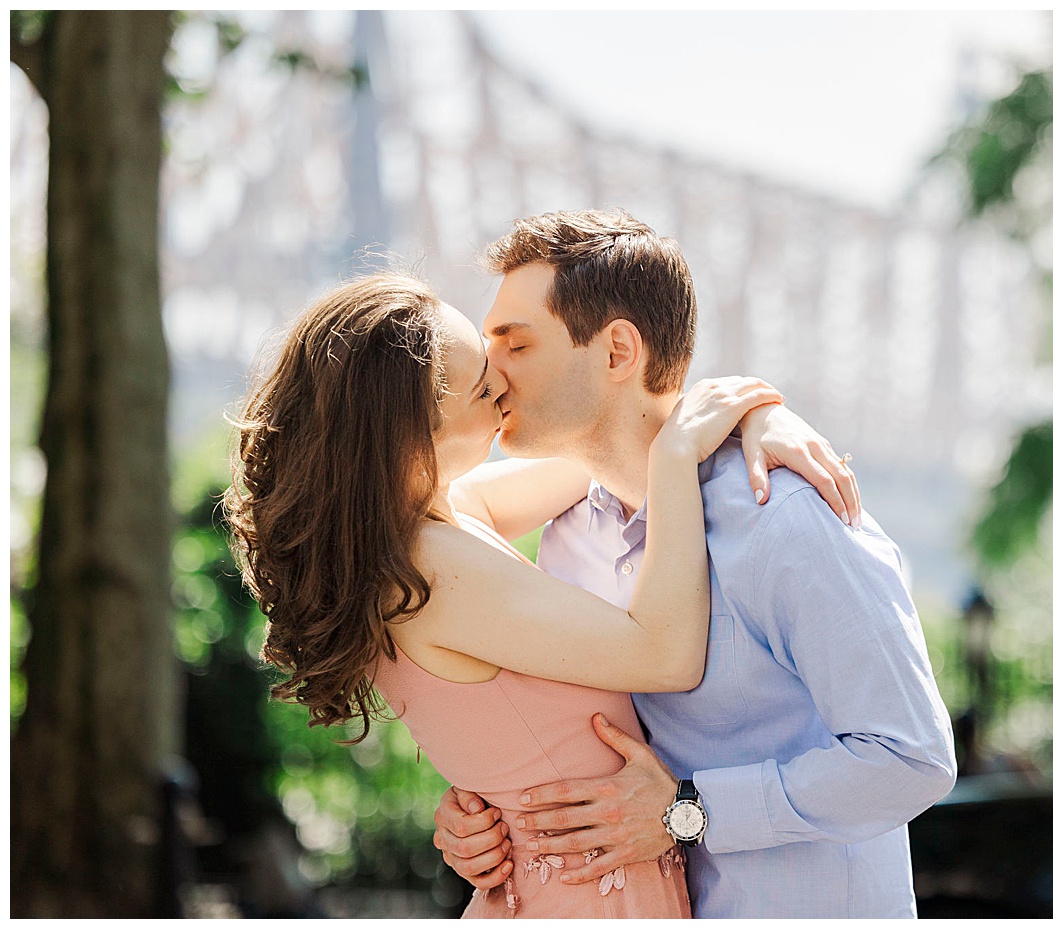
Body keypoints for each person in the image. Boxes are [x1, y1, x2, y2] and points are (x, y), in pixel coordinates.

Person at [225, 271, 858, 917]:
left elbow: (607, 447)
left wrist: (754, 412)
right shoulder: (435, 570)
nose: (502, 382)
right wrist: (676, 456)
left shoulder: (417, 530)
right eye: (480, 386)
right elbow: (666, 652)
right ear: (412, 438)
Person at [431, 209, 958, 918]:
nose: (489, 373)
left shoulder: (784, 517)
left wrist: (690, 811)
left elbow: (912, 757)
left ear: (618, 351)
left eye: (516, 344)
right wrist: (483, 816)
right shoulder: (565, 537)